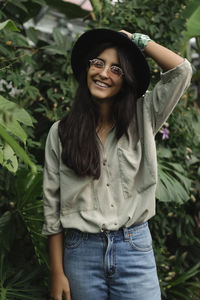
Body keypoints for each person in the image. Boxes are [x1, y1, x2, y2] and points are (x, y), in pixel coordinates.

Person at [42, 28, 192, 300]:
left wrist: (137, 41)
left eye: (116, 69)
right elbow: (52, 207)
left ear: (125, 79)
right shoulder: (61, 132)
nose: (104, 73)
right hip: (80, 253)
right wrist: (56, 272)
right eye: (98, 63)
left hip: (134, 249)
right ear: (87, 68)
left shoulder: (143, 117)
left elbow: (182, 71)